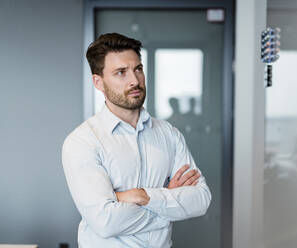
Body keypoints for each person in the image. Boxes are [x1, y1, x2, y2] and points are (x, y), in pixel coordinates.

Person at [61, 33, 211, 248]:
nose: (134, 81)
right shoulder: (83, 142)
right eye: (121, 72)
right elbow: (105, 222)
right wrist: (167, 200)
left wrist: (141, 196)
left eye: (138, 69)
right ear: (98, 82)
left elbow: (200, 200)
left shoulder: (168, 133)